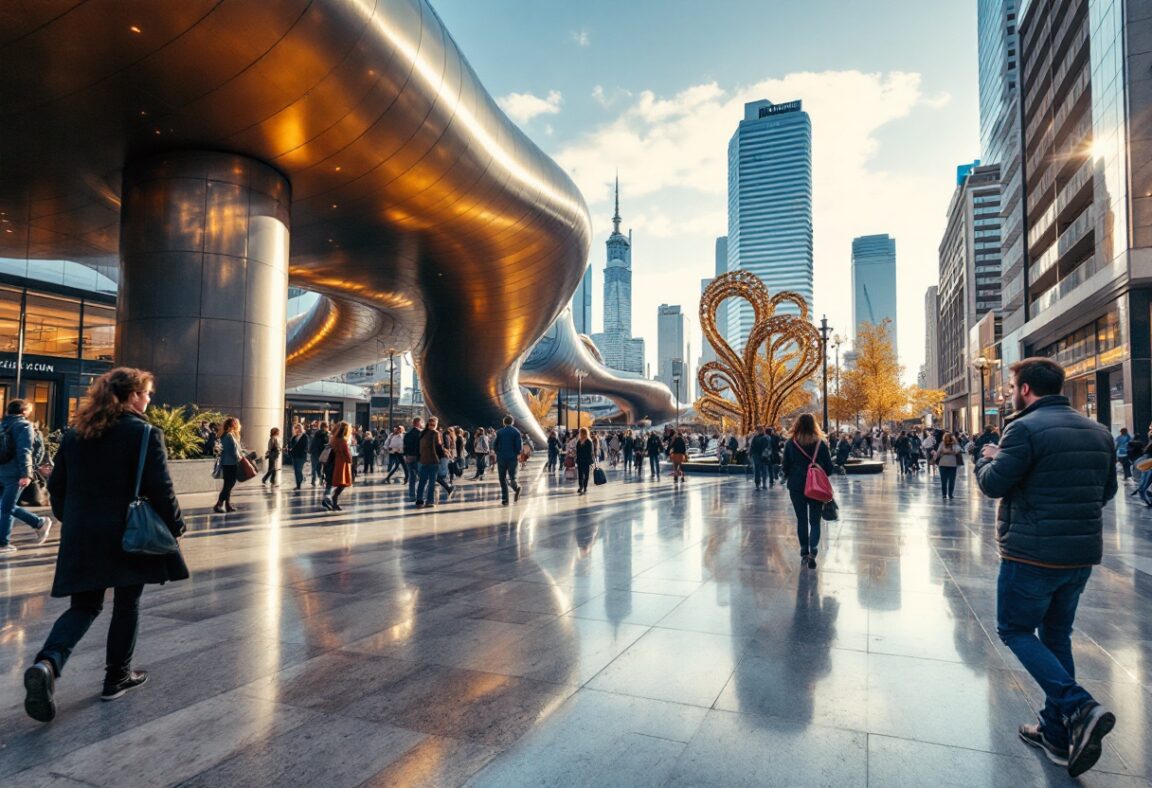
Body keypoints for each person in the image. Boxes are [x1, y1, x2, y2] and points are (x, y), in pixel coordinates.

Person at [974, 358, 1117, 777]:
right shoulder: (1098, 431)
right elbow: (1105, 491)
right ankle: (1055, 734)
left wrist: (988, 458)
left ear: (1024, 389)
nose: (1010, 390)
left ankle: (1079, 707)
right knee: (1056, 635)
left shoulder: (1023, 428)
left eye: (1012, 384)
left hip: (1032, 554)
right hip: (1080, 555)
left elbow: (992, 484)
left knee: (1015, 629)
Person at [23, 367, 187, 722]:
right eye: (145, 394)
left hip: (83, 534)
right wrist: (176, 526)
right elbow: (161, 488)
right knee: (127, 604)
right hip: (128, 533)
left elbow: (58, 487)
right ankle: (117, 678)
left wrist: (74, 519)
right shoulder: (144, 433)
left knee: (83, 605)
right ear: (131, 396)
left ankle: (48, 663)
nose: (148, 400)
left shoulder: (76, 434)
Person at [781, 413, 834, 569]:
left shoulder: (791, 444)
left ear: (797, 425)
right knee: (815, 521)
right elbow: (829, 469)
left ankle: (804, 550)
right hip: (816, 487)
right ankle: (813, 550)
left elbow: (785, 467)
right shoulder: (820, 444)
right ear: (814, 425)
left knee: (801, 520)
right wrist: (818, 468)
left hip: (797, 486)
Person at [0, 399, 53, 553]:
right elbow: (25, 451)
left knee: (5, 507)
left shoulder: (3, 425)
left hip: (4, 472)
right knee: (5, 507)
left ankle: (3, 542)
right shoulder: (24, 425)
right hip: (16, 473)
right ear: (24, 412)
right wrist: (26, 473)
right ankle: (38, 523)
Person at [213, 418, 244, 514]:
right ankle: (218, 504)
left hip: (226, 463)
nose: (237, 425)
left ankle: (228, 505)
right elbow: (234, 451)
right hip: (231, 463)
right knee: (229, 484)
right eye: (235, 424)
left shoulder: (223, 436)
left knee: (228, 484)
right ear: (232, 426)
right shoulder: (230, 436)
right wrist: (241, 459)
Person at [322, 421, 354, 511]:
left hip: (333, 463)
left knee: (333, 482)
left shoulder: (334, 439)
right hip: (342, 464)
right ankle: (333, 499)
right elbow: (348, 456)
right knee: (341, 482)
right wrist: (351, 461)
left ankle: (331, 500)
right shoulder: (343, 441)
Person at [493, 415, 523, 505]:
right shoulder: (516, 432)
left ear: (504, 422)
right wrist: (517, 453)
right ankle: (516, 488)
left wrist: (498, 452)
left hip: (501, 457)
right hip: (512, 457)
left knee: (502, 478)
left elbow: (495, 445)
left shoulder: (499, 432)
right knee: (512, 476)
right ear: (512, 422)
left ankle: (505, 499)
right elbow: (519, 446)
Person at [415, 417, 443, 508]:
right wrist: (443, 456)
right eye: (433, 424)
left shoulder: (422, 433)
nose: (433, 426)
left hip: (423, 461)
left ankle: (419, 501)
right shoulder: (435, 433)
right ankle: (430, 501)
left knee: (422, 482)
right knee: (431, 483)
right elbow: (438, 448)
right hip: (433, 461)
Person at [931, 432, 962, 500]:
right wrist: (934, 458)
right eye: (947, 437)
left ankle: (950, 494)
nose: (948, 439)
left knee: (951, 481)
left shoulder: (954, 444)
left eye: (949, 437)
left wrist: (946, 451)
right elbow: (938, 453)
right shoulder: (942, 443)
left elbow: (956, 451)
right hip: (943, 464)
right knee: (944, 481)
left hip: (952, 465)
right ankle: (944, 494)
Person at [403, 417, 424, 502]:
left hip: (409, 458)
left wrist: (406, 456)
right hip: (418, 458)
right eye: (422, 423)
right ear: (419, 423)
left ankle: (412, 495)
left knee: (412, 477)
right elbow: (420, 446)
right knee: (422, 477)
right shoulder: (421, 433)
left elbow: (404, 446)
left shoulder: (407, 434)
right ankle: (420, 495)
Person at [287, 423, 309, 490]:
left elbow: (305, 446)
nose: (297, 429)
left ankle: (300, 480)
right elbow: (291, 445)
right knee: (296, 471)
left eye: (298, 428)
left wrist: (294, 448)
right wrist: (289, 449)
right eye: (295, 428)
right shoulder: (294, 437)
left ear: (301, 428)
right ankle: (298, 485)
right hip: (294, 456)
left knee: (299, 470)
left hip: (301, 456)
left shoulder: (305, 436)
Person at [308, 421, 329, 487]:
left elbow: (313, 443)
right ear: (325, 427)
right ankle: (321, 480)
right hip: (321, 453)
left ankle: (313, 481)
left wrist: (310, 450)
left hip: (314, 452)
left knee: (314, 467)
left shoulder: (316, 433)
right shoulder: (326, 434)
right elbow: (326, 443)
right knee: (321, 468)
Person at [574, 427, 594, 494]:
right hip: (580, 460)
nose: (580, 434)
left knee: (586, 474)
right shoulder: (579, 441)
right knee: (580, 474)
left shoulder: (589, 441)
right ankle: (581, 487)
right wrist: (576, 459)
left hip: (586, 461)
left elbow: (590, 452)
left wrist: (590, 461)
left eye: (581, 432)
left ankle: (585, 487)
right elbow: (577, 452)